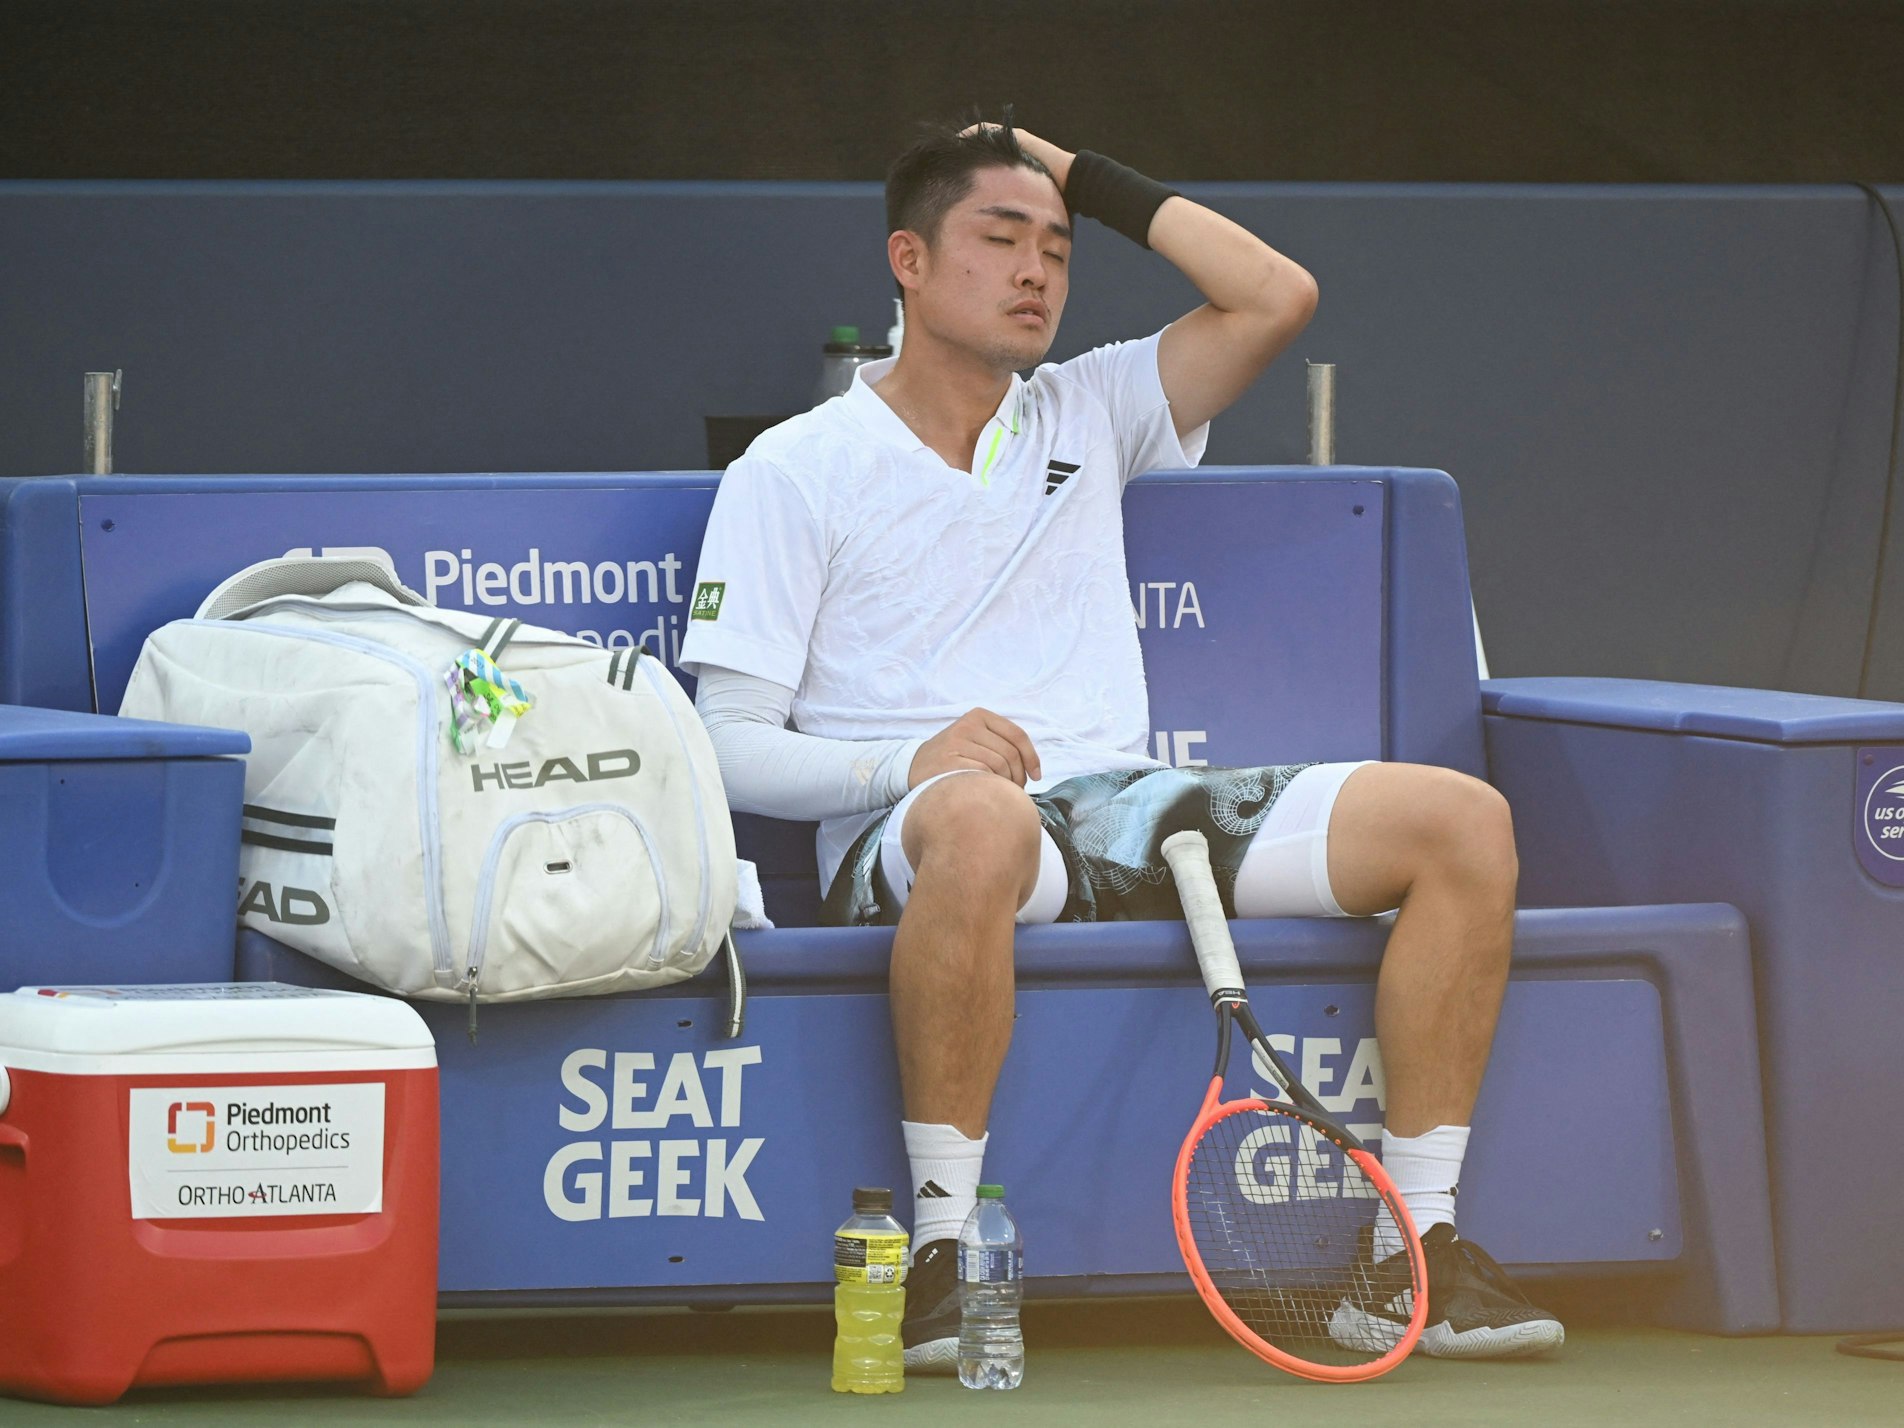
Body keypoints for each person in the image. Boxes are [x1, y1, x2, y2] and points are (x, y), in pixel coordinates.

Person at [678, 115, 1564, 1366]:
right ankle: (943, 1250)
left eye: (1057, 248)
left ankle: (1412, 1249)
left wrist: (1086, 176)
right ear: (909, 262)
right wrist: (912, 764)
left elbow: (1274, 295)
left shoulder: (1090, 407)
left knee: (1460, 822)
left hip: (1131, 811)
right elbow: (722, 745)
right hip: (918, 829)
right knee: (982, 822)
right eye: (1000, 238)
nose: (1037, 269)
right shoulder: (795, 468)